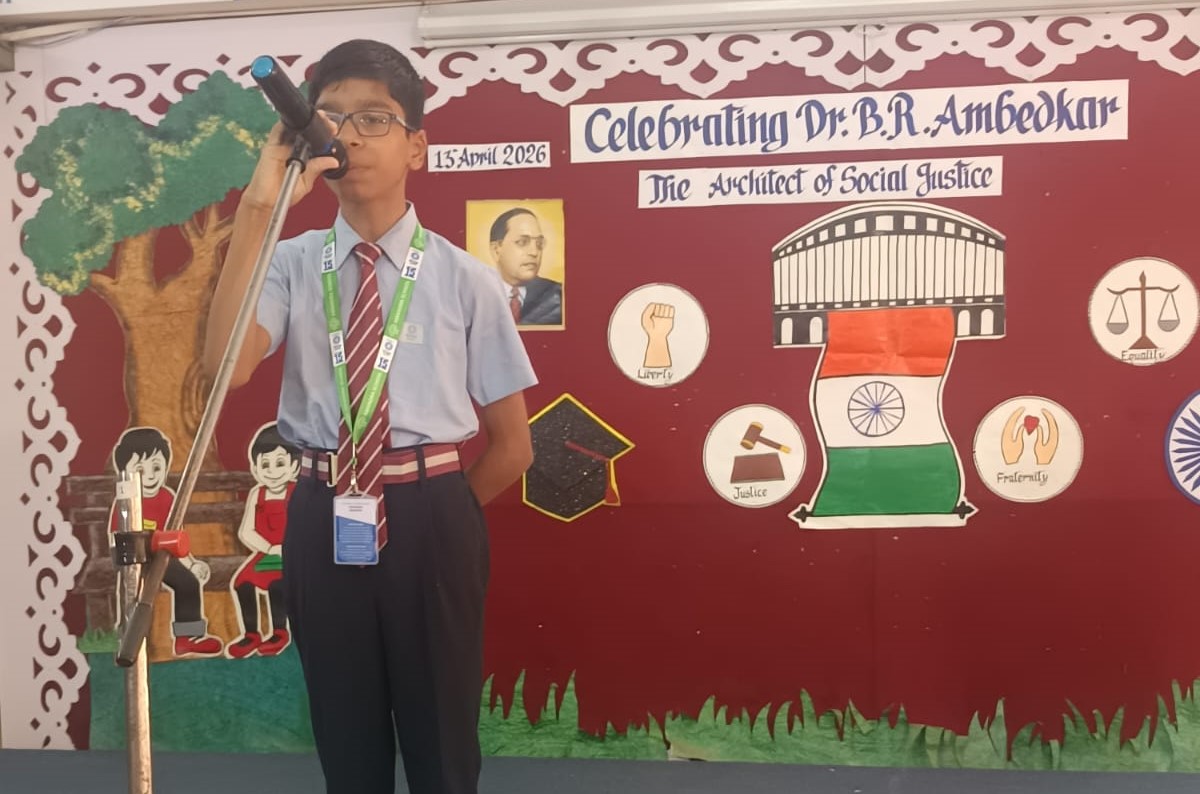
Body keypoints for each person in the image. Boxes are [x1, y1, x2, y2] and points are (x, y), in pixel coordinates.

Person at [203, 39, 537, 794]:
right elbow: (226, 366)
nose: (349, 135)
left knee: (442, 747)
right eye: (331, 117)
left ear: (417, 146)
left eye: (375, 118)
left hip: (431, 512)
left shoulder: (467, 280)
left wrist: (433, 513)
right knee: (346, 742)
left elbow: (513, 448)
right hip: (322, 510)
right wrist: (259, 208)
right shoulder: (292, 263)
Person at [107, 426, 222, 658]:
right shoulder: (125, 502)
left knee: (188, 582)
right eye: (141, 469)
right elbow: (116, 537)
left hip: (162, 557)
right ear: (126, 471)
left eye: (156, 468)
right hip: (133, 558)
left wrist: (190, 563)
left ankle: (187, 637)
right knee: (129, 587)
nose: (150, 475)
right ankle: (126, 627)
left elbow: (176, 537)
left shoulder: (168, 497)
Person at [225, 422, 300, 659]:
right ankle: (251, 633)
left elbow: (303, 526)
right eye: (265, 464)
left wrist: (286, 548)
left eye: (280, 463)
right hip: (265, 554)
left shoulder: (297, 492)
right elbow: (246, 531)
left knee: (278, 585)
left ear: (294, 466)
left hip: (291, 556)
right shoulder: (257, 494)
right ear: (255, 468)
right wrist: (267, 548)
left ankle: (279, 632)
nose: (272, 471)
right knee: (242, 583)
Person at [489, 207, 562, 326]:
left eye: (539, 243)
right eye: (522, 242)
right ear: (496, 250)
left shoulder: (558, 295)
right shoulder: (476, 294)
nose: (534, 252)